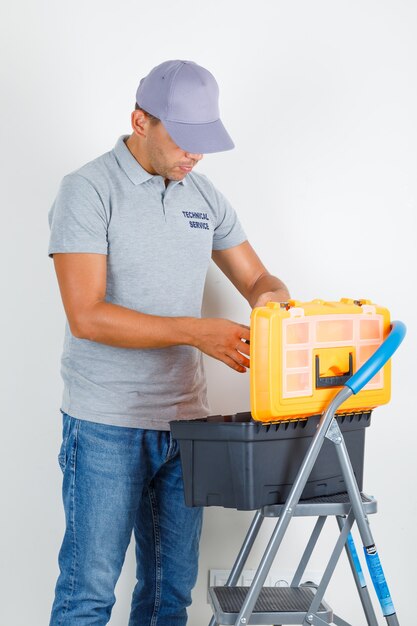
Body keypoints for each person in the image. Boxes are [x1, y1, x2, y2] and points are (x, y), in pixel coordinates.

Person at [48, 59, 290, 626]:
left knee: (169, 596)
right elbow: (87, 316)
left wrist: (271, 304)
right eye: (185, 141)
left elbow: (259, 279)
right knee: (88, 595)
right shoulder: (87, 190)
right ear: (140, 121)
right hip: (105, 423)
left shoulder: (203, 196)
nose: (195, 156)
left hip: (184, 428)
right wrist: (195, 330)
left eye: (205, 143)